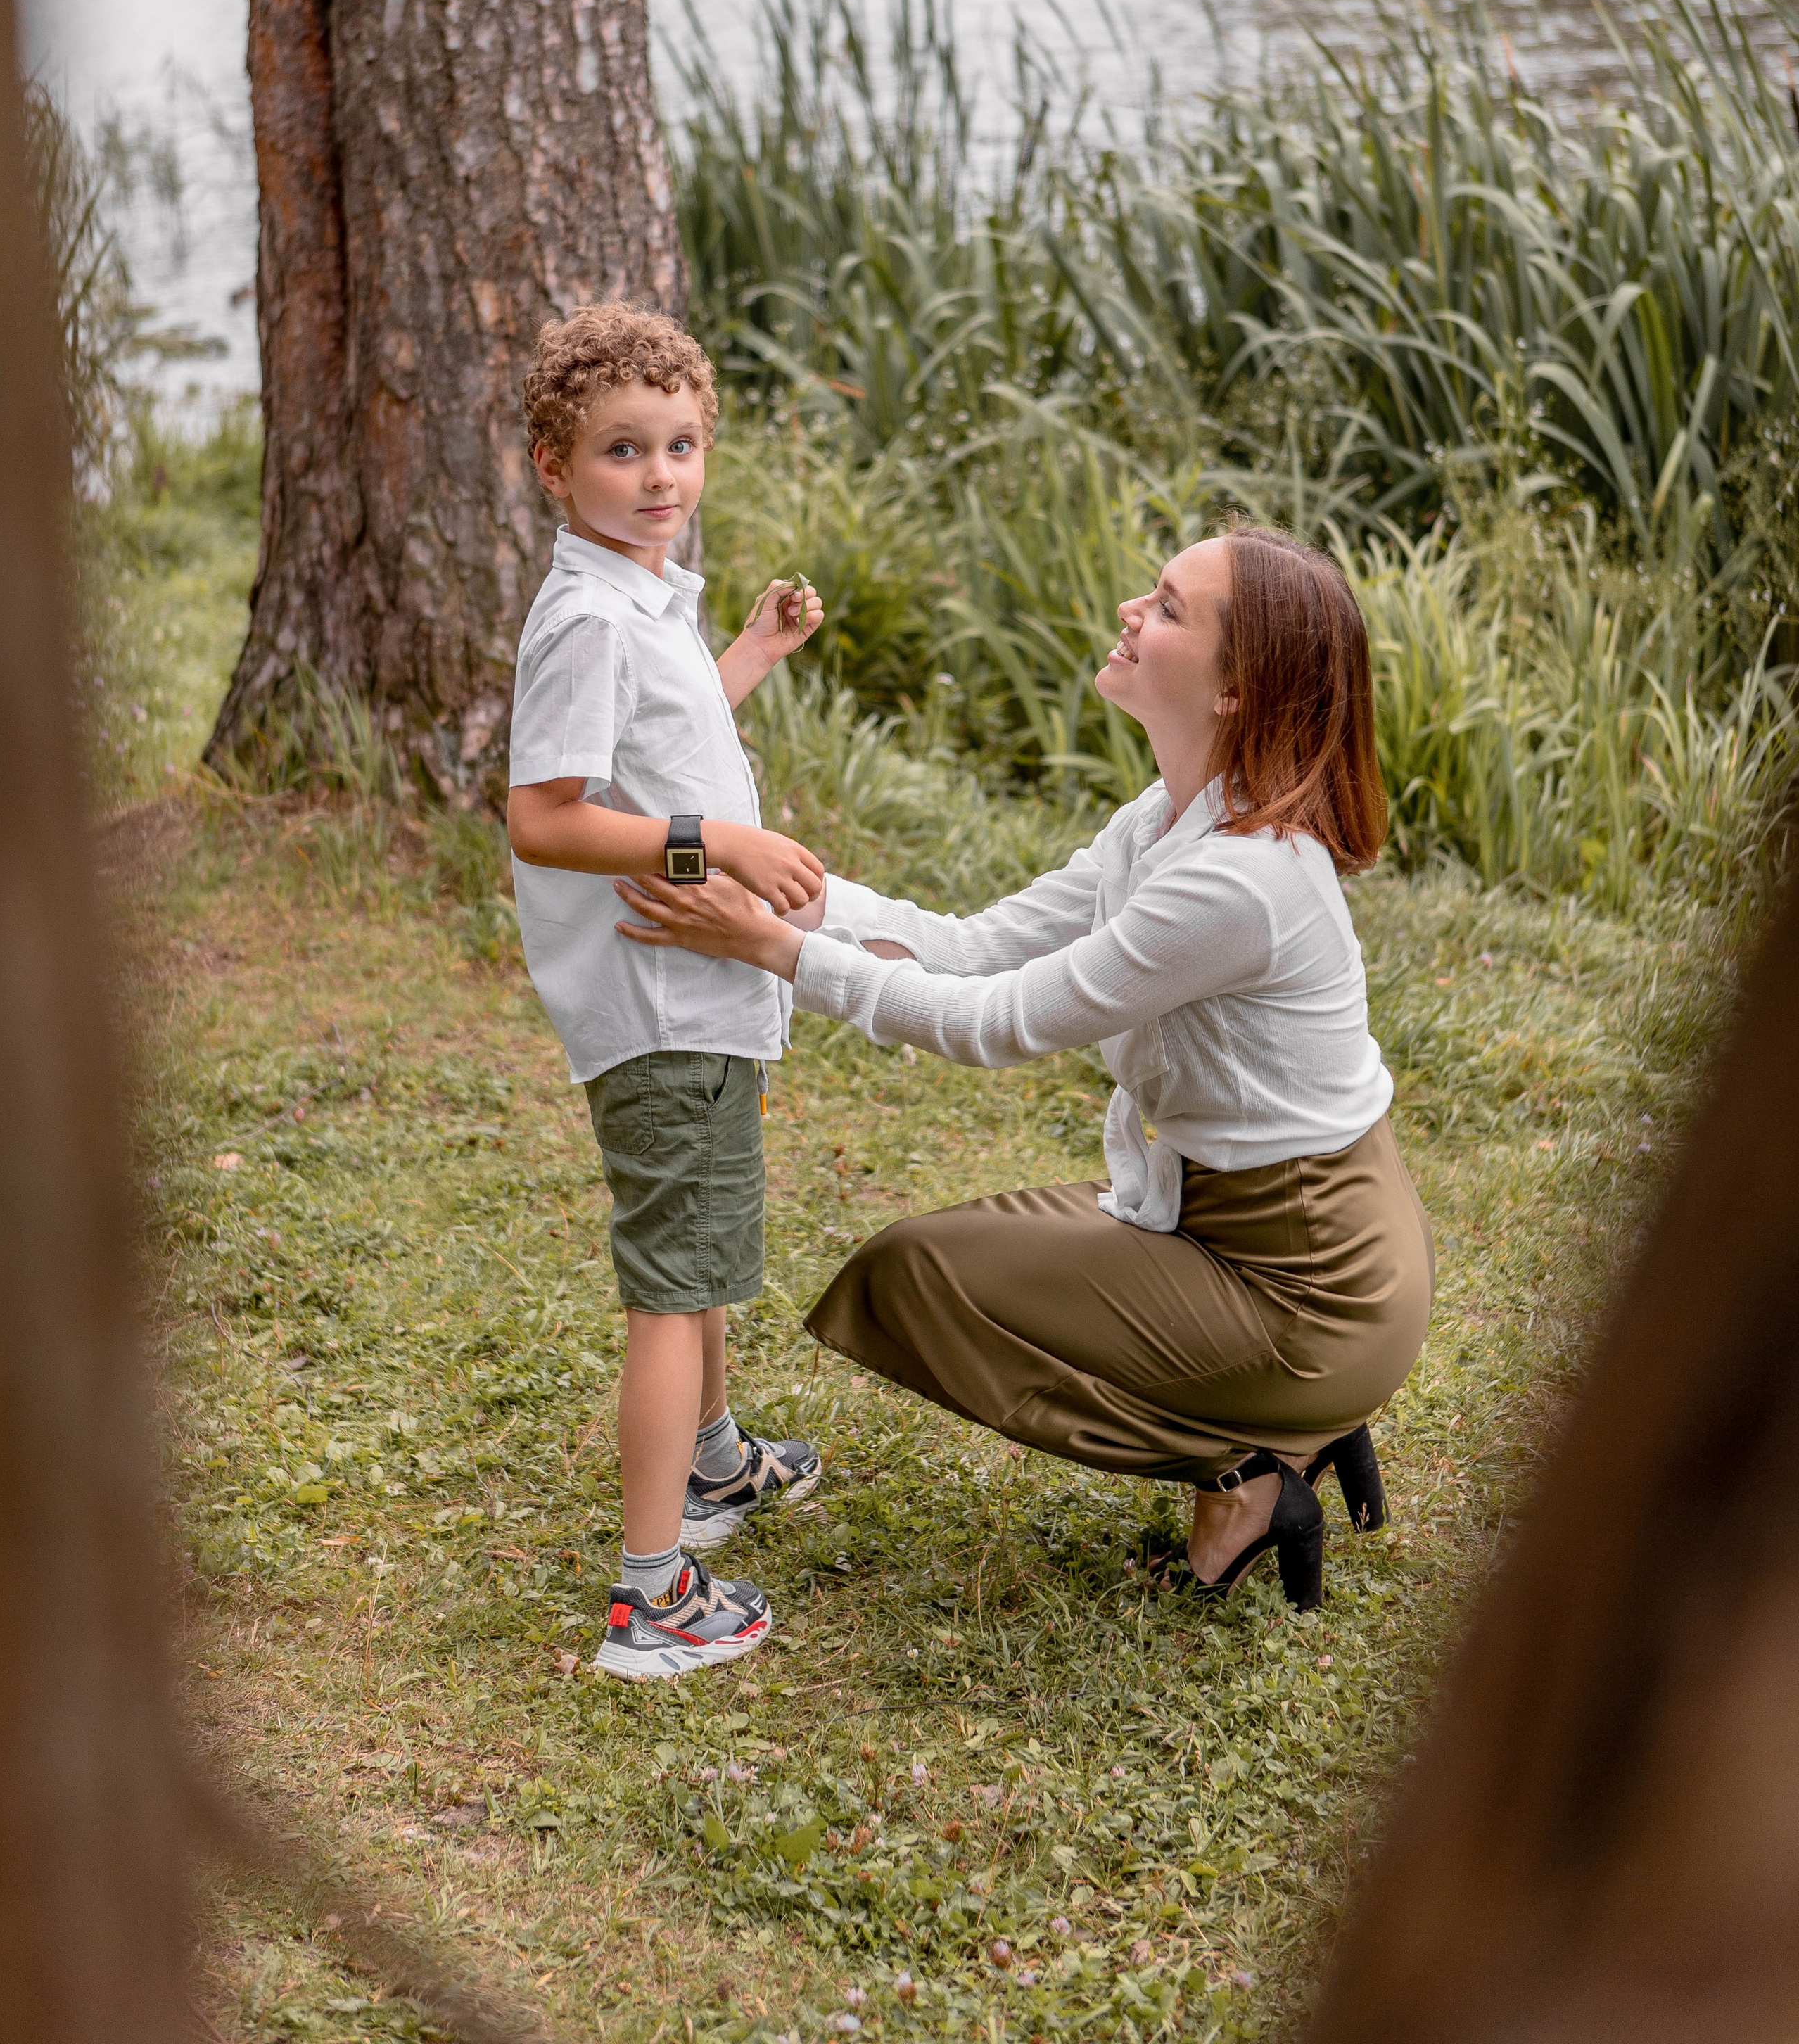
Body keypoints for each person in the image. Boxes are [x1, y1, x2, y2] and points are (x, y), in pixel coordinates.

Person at [614, 526, 1434, 1614]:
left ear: (1239, 691)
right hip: (1215, 1220)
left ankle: (1257, 1459)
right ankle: (1281, 1414)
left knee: (929, 1287)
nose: (1136, 613)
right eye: (1153, 590)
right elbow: (975, 947)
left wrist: (771, 950)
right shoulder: (1166, 823)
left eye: (1172, 608)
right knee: (916, 1270)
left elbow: (996, 1021)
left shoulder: (1244, 882)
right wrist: (786, 891)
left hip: (1310, 1278)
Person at [507, 303, 830, 1682]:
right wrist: (720, 848)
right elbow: (543, 813)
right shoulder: (584, 612)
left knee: (697, 1260)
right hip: (655, 998)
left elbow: (654, 736)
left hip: (695, 993)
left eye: (681, 444)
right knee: (666, 1285)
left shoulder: (641, 598)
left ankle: (711, 1467)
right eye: (623, 450)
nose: (659, 476)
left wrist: (745, 661)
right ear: (552, 467)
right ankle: (651, 1596)